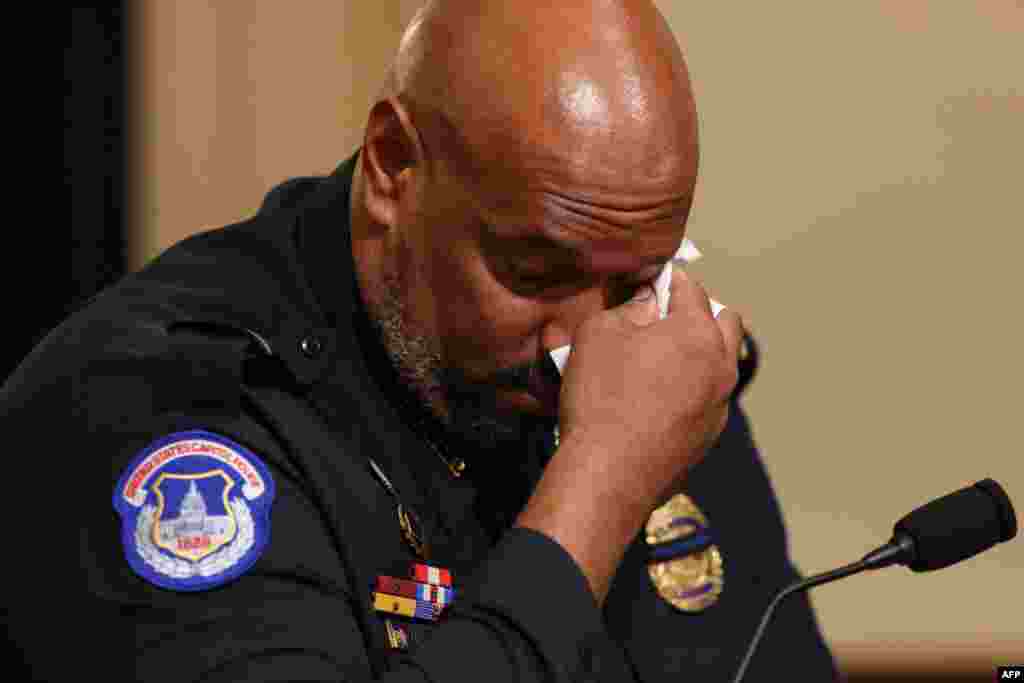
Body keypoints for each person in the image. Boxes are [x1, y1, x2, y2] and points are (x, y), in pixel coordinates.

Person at [4, 0, 836, 680]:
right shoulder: (161, 402)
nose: (584, 351)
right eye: (535, 271)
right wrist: (600, 483)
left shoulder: (649, 373)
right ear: (394, 166)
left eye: (634, 284)